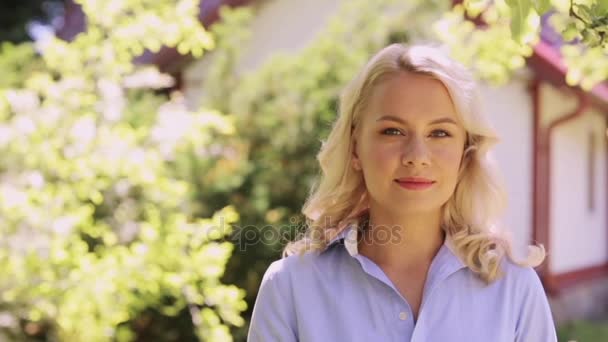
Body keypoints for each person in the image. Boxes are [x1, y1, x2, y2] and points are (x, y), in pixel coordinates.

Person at [247, 43, 557, 342]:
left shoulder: (513, 288)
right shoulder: (291, 287)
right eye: (392, 131)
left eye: (439, 133)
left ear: (466, 152)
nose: (417, 155)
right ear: (356, 148)